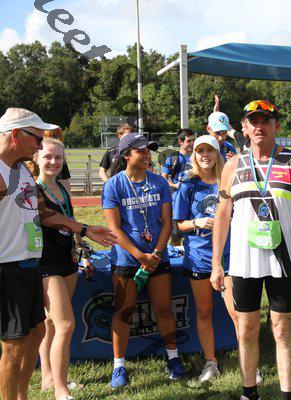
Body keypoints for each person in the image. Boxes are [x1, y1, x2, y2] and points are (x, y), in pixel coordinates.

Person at [0, 107, 116, 400]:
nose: (40, 145)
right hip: (7, 269)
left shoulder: (21, 171)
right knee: (13, 346)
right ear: (16, 135)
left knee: (37, 333)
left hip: (30, 264)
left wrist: (85, 230)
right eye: (37, 139)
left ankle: (24, 394)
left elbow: (44, 214)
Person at [211, 100, 291, 400]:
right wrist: (217, 263)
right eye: (253, 122)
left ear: (276, 126)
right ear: (244, 128)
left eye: (265, 121)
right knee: (246, 329)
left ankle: (286, 395)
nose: (259, 126)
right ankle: (249, 393)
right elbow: (222, 216)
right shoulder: (233, 165)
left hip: (283, 261)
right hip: (243, 262)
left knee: (282, 328)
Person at [172, 135, 263, 386]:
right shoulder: (188, 184)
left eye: (210, 150)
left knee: (238, 313)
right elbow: (179, 225)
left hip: (230, 257)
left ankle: (250, 365)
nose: (205, 155)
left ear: (217, 153)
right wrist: (197, 222)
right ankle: (211, 363)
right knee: (204, 312)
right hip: (199, 258)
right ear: (194, 155)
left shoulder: (229, 179)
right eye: (200, 151)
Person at [101, 133, 184, 389]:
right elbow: (114, 229)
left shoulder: (159, 182)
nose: (147, 154)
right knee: (123, 312)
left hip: (157, 258)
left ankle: (173, 359)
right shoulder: (113, 185)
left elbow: (167, 223)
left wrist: (155, 254)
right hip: (126, 259)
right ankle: (119, 366)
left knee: (164, 309)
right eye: (141, 151)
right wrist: (140, 256)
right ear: (126, 155)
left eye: (149, 150)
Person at [35, 138, 95, 400]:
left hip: (67, 260)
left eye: (58, 157)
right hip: (46, 263)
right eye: (48, 157)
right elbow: (49, 219)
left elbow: (70, 221)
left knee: (51, 322)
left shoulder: (62, 187)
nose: (53, 162)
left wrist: (82, 253)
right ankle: (61, 390)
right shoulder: (33, 189)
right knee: (65, 324)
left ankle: (48, 378)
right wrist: (85, 230)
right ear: (36, 158)